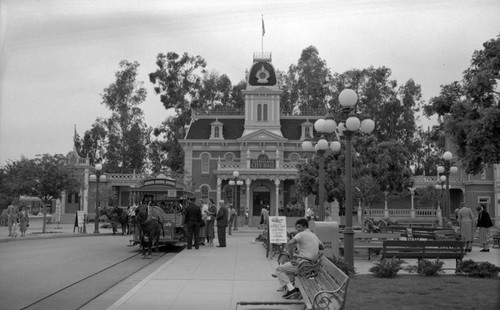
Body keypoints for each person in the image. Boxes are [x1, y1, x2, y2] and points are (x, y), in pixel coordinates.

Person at [274, 218, 324, 299]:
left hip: (303, 265)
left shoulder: (301, 234)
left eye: (299, 227)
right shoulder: (313, 235)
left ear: (305, 227)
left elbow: (290, 244)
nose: (297, 229)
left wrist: (292, 258)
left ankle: (291, 289)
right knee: (285, 267)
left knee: (278, 269)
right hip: (310, 264)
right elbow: (322, 247)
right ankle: (291, 287)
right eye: (296, 227)